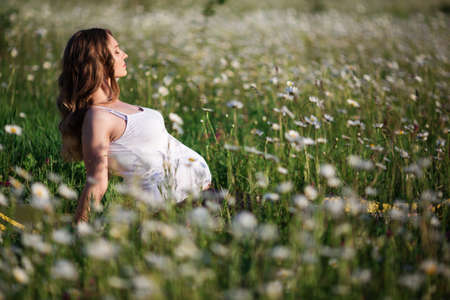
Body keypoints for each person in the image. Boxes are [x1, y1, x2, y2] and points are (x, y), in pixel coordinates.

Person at [56, 28, 212, 223]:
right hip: (177, 210)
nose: (125, 55)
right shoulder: (98, 117)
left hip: (201, 198)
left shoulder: (116, 106)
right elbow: (97, 181)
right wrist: (79, 228)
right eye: (116, 51)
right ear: (96, 62)